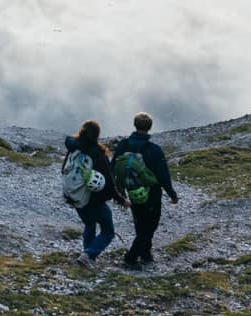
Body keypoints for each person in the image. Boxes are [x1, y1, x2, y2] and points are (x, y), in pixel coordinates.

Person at [111, 112, 178, 270]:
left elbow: (112, 166)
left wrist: (116, 191)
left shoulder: (123, 145)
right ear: (149, 128)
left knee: (140, 223)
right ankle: (131, 257)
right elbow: (163, 175)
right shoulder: (154, 150)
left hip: (131, 190)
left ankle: (146, 254)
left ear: (135, 125)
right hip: (152, 193)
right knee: (150, 226)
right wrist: (172, 194)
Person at [63, 120, 124, 265]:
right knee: (108, 231)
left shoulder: (73, 148)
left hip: (75, 196)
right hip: (95, 200)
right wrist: (122, 200)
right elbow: (109, 183)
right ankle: (89, 255)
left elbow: (64, 170)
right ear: (97, 135)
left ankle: (86, 257)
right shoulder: (98, 154)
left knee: (89, 224)